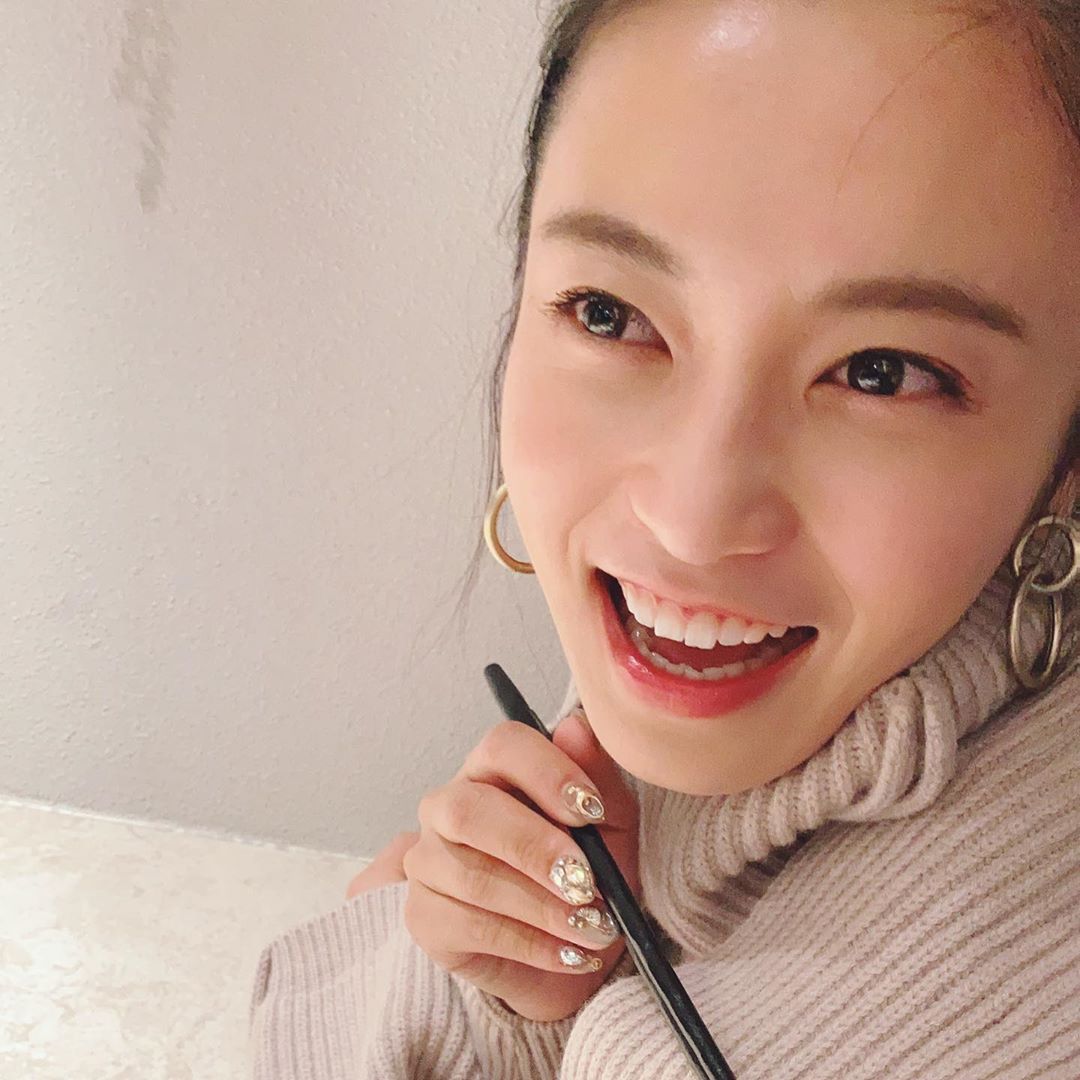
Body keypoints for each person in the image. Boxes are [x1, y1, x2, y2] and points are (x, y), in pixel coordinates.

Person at [248, 1, 1080, 1076]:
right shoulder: (830, 642)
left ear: (1065, 461)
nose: (690, 519)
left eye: (882, 373)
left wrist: (399, 962)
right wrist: (545, 994)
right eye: (608, 313)